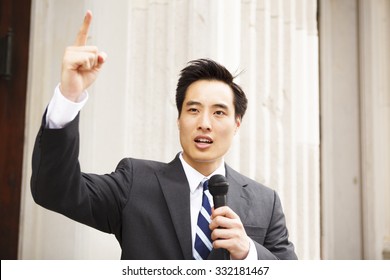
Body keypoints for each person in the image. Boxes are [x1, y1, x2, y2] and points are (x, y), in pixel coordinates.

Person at [31, 11, 297, 260]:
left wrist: (249, 253)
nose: (204, 123)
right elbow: (54, 190)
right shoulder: (135, 183)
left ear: (237, 123)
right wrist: (69, 96)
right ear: (179, 118)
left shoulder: (265, 202)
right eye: (193, 109)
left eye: (218, 113)